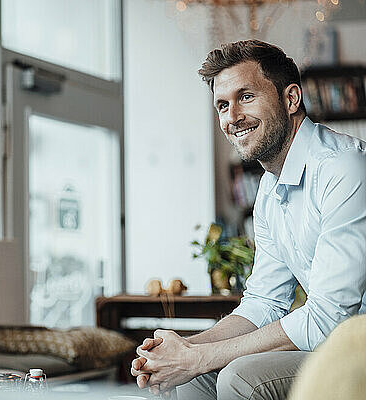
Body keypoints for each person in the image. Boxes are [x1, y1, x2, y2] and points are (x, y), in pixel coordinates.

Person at [130, 40, 366, 399]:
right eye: (222, 105)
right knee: (192, 376)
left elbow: (329, 316)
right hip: (329, 343)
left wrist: (200, 357)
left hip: (355, 344)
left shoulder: (343, 168)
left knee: (238, 376)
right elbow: (264, 303)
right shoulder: (270, 192)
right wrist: (185, 350)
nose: (232, 117)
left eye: (246, 96)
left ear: (290, 99)